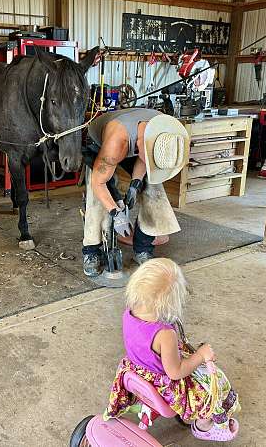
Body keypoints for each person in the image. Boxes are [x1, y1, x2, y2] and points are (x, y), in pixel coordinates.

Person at [105, 258, 241, 442]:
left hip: (135, 369)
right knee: (216, 384)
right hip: (162, 384)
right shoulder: (165, 334)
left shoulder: (129, 312)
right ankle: (204, 426)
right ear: (169, 304)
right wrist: (201, 355)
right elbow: (175, 373)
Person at [82, 109, 188, 276]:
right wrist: (115, 213)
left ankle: (143, 248)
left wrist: (135, 184)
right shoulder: (117, 142)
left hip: (136, 141)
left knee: (153, 187)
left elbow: (145, 159)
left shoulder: (164, 132)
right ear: (141, 145)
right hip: (97, 143)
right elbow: (98, 182)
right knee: (96, 197)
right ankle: (91, 251)